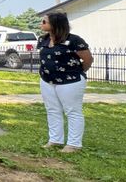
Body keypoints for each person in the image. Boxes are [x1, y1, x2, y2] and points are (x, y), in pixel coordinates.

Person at [38, 12, 93, 153]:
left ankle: (74, 144)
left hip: (70, 81)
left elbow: (88, 60)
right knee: (52, 110)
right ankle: (55, 140)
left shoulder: (74, 40)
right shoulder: (43, 40)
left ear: (55, 23)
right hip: (47, 80)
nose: (41, 24)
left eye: (44, 22)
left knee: (73, 111)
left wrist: (79, 71)